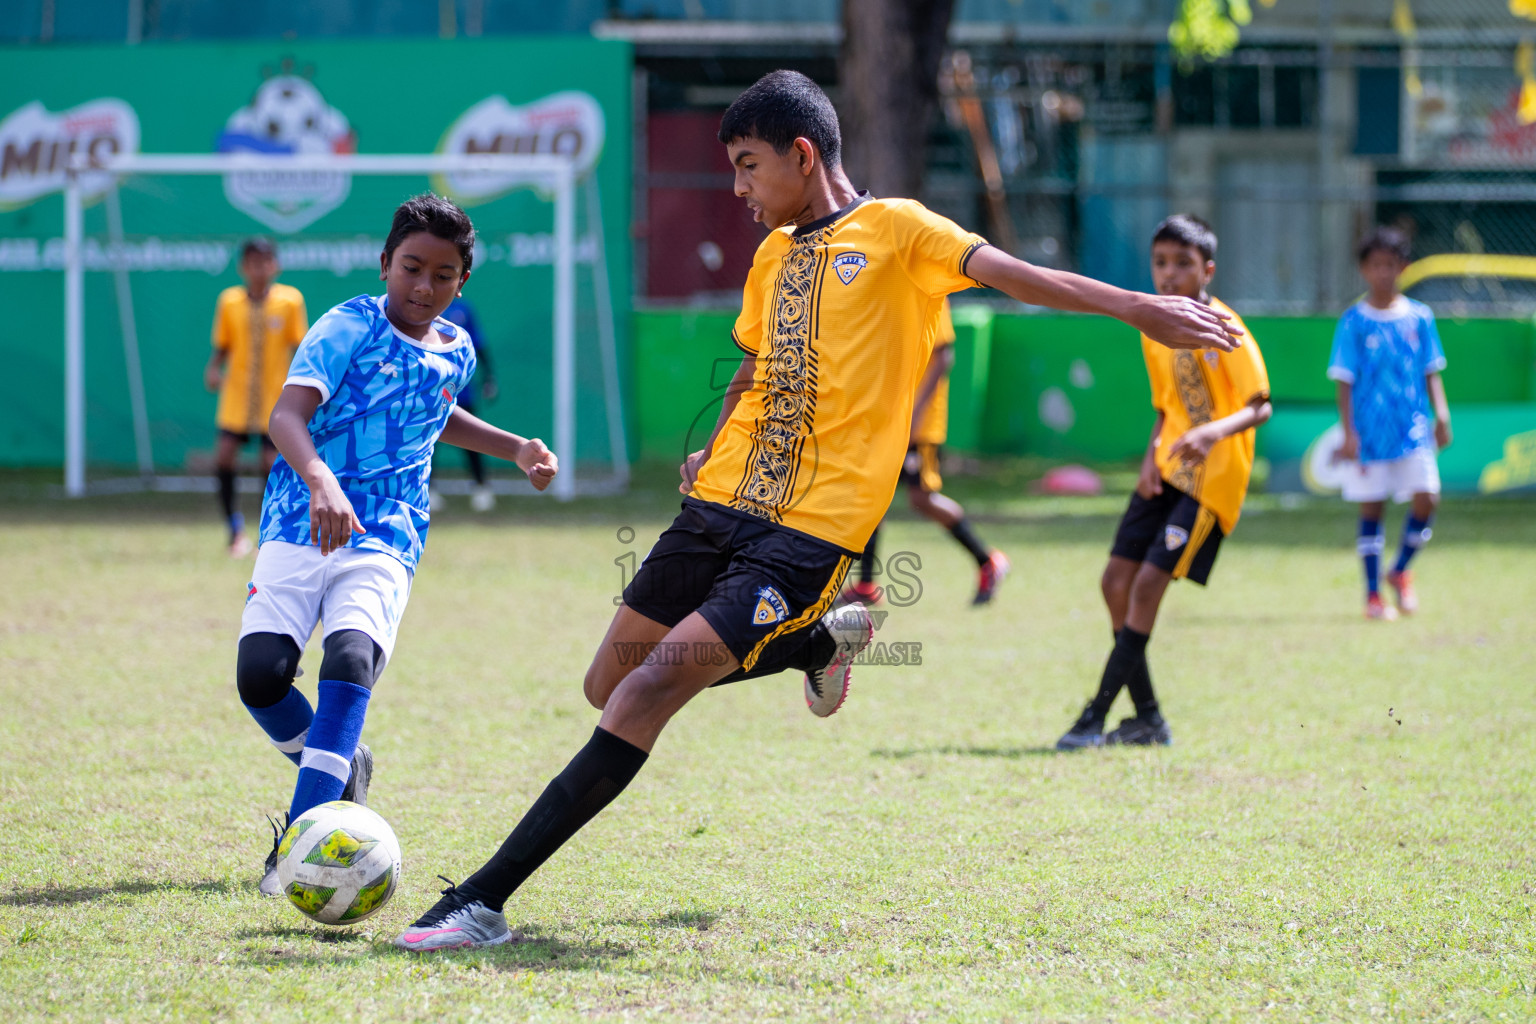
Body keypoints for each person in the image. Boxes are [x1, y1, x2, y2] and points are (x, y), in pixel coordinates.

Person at [393, 71, 1241, 952]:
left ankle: (481, 901)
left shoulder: (901, 230)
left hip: (813, 528)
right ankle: (816, 642)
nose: (738, 189)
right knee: (608, 680)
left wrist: (1139, 307)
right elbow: (756, 368)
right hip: (724, 497)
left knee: (647, 692)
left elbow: (1019, 276)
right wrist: (712, 446)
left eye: (748, 166)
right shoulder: (769, 256)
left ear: (803, 155)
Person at [234, 194, 558, 897]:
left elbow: (435, 415)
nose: (423, 286)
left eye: (443, 275)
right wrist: (320, 479)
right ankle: (341, 765)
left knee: (350, 657)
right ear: (386, 264)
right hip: (301, 515)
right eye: (411, 267)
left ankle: (301, 840)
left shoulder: (457, 349)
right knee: (260, 675)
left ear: (461, 284)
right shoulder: (346, 325)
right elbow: (286, 415)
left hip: (387, 530)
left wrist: (515, 448)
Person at [1056, 214, 1271, 750]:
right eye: (1161, 263)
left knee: (1147, 586)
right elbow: (1164, 405)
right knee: (1113, 584)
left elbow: (1260, 406)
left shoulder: (1224, 326)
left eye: (1183, 264)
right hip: (1168, 471)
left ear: (1208, 270)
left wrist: (1210, 434)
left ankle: (1095, 715)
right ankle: (1148, 718)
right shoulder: (1155, 325)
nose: (1169, 274)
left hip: (1211, 480)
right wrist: (1153, 453)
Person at [844, 299, 1010, 608]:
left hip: (916, 424)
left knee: (923, 498)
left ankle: (987, 561)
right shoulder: (892, 288)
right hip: (890, 417)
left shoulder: (930, 292)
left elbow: (943, 355)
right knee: (869, 493)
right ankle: (866, 584)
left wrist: (915, 417)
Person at [1328, 226, 1450, 620]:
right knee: (1372, 510)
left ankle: (1399, 571)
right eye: (1376, 264)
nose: (1384, 272)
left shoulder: (1420, 316)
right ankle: (1372, 595)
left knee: (1428, 495)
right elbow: (1344, 379)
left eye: (1391, 265)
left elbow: (1431, 370)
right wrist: (1348, 431)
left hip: (1412, 428)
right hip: (1369, 433)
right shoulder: (1353, 321)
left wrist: (1441, 413)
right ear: (1364, 269)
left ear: (1403, 267)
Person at [204, 238, 307, 557]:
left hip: (274, 399)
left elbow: (299, 345)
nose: (259, 268)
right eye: (252, 262)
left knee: (270, 463)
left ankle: (270, 531)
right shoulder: (230, 301)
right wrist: (213, 367)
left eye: (265, 262)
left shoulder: (290, 301)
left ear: (275, 265)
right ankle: (235, 530)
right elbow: (223, 343)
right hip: (237, 396)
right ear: (242, 267)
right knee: (223, 456)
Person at [436, 296, 500, 512]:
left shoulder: (463, 309)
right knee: (429, 442)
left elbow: (478, 343)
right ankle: (428, 489)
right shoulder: (423, 309)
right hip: (430, 394)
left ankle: (481, 487)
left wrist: (489, 377)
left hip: (461, 393)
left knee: (471, 441)